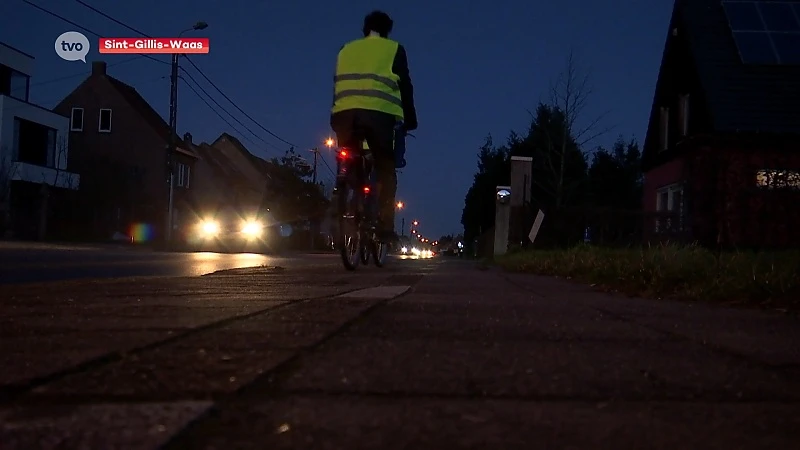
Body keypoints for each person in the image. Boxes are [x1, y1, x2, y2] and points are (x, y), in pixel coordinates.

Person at [330, 10, 418, 242]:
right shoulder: (394, 49)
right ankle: (385, 226)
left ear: (364, 29)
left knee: (349, 155)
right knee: (386, 168)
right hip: (378, 117)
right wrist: (411, 119)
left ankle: (344, 183)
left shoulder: (345, 49)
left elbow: (337, 83)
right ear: (388, 30)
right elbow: (405, 86)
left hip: (343, 115)